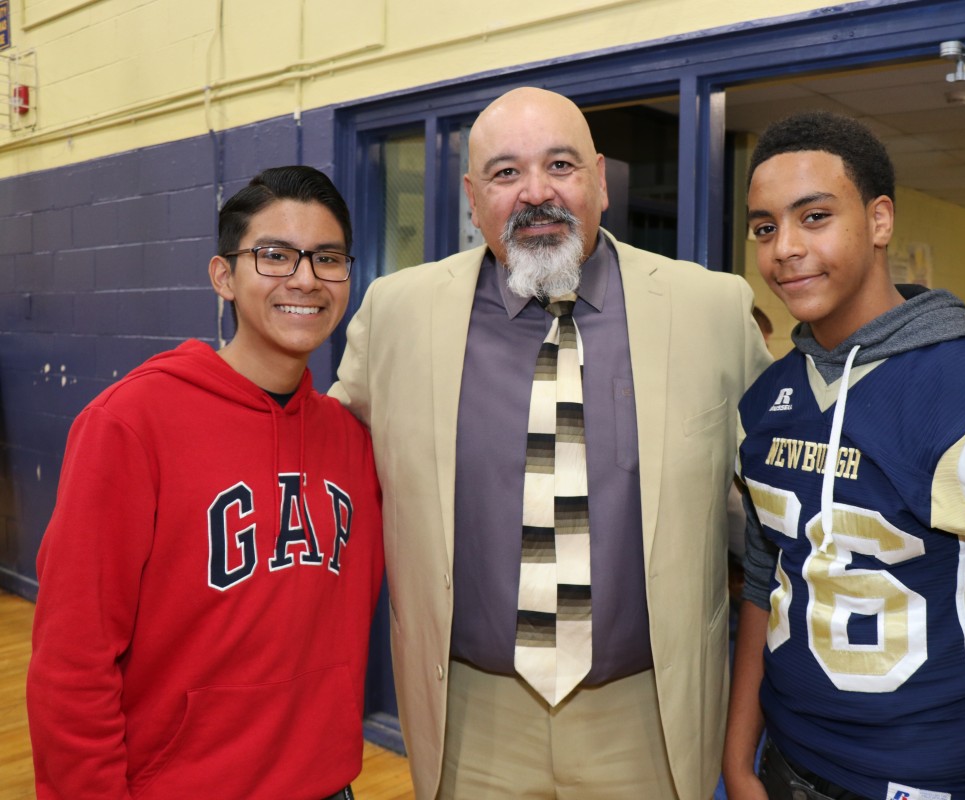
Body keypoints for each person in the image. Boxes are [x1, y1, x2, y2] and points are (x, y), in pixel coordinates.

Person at [331, 86, 773, 800]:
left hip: (648, 718)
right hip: (472, 719)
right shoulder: (397, 314)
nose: (537, 193)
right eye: (506, 174)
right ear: (473, 199)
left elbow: (775, 505)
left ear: (599, 179)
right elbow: (321, 465)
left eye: (560, 165)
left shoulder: (710, 310)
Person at [722, 111, 965, 800]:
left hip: (929, 777)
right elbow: (764, 582)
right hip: (787, 760)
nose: (783, 248)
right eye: (764, 227)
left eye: (813, 217)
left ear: (878, 221)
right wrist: (736, 760)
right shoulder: (769, 398)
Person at [27, 166, 384, 800]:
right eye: (274, 255)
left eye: (327, 259)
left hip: (330, 786)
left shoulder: (353, 440)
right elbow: (72, 664)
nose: (304, 278)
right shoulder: (130, 424)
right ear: (224, 276)